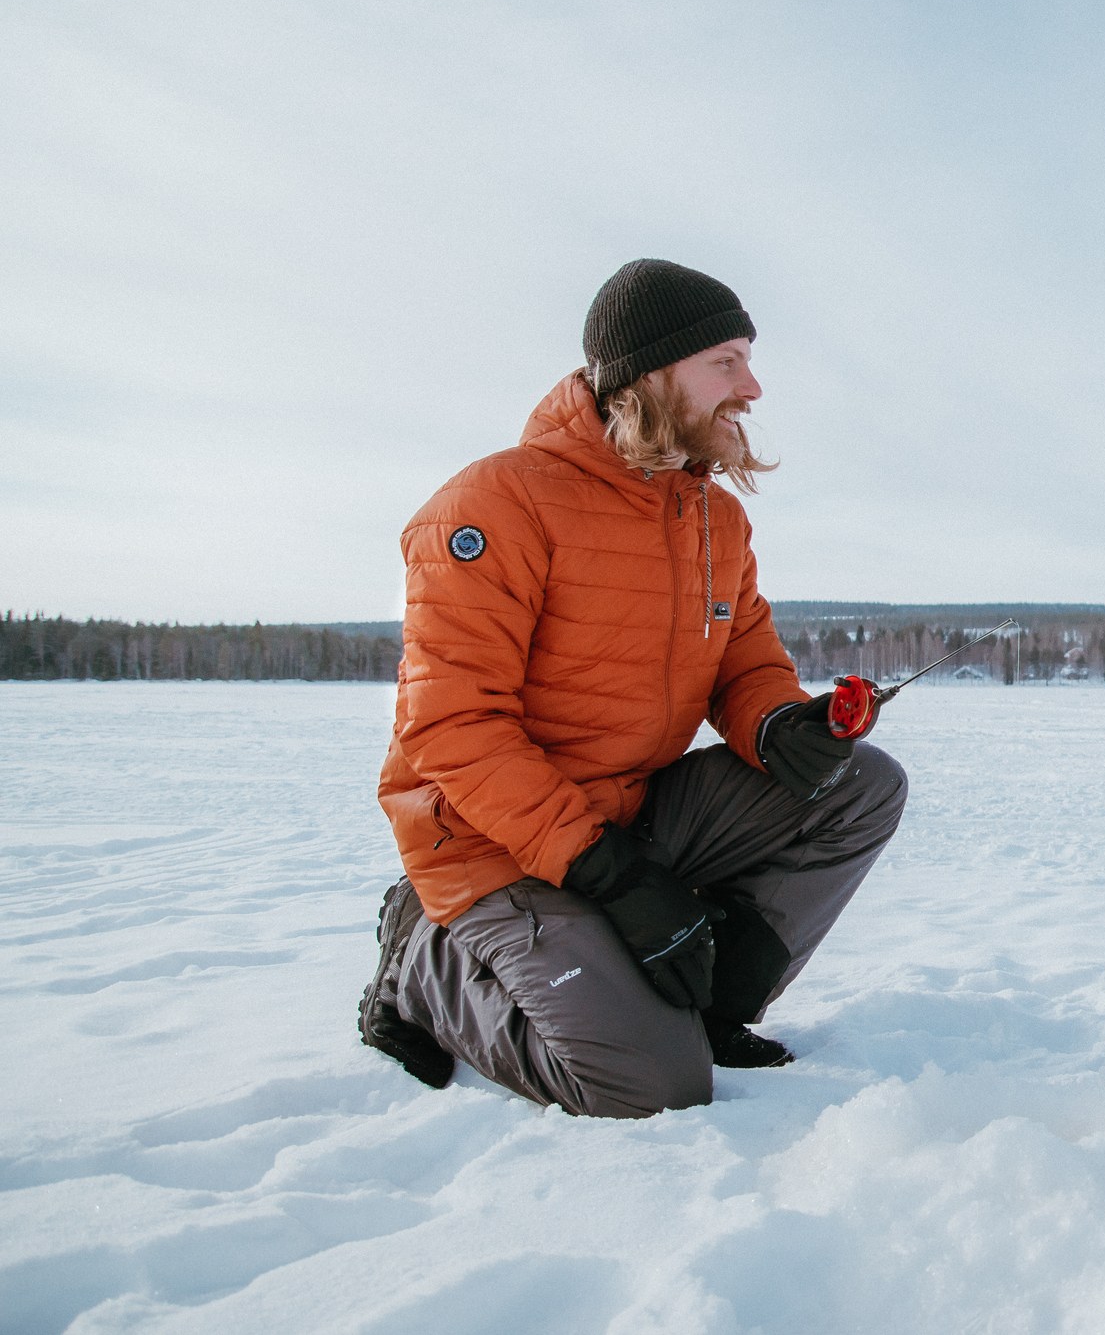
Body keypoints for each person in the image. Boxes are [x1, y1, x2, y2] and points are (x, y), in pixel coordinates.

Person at [357, 259, 908, 1118]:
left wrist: (781, 729)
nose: (752, 386)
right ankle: (421, 960)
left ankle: (709, 1003)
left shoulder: (714, 519)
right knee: (653, 1084)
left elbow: (746, 666)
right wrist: (612, 875)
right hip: (488, 843)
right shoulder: (495, 504)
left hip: (629, 812)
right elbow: (454, 729)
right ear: (652, 372)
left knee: (862, 783)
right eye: (726, 362)